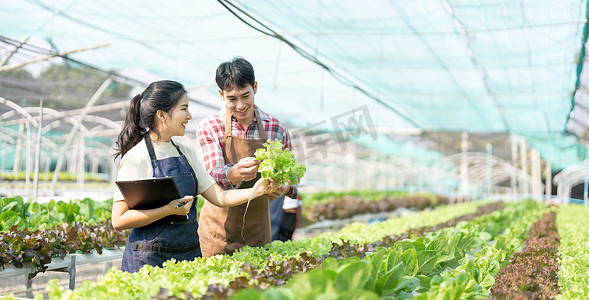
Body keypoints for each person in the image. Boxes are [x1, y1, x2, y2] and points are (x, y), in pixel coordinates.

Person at [111, 80, 278, 273]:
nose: (189, 116)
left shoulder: (185, 152)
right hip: (150, 260)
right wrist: (167, 210)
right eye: (184, 109)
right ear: (162, 115)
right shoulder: (138, 157)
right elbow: (119, 220)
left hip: (188, 257)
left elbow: (220, 197)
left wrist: (259, 189)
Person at [197, 57, 298, 257]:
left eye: (246, 95)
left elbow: (291, 174)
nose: (241, 105)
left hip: (257, 231)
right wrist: (234, 172)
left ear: (255, 87)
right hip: (217, 233)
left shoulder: (275, 128)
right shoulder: (210, 126)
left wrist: (283, 187)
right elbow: (210, 176)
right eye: (232, 99)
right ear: (221, 94)